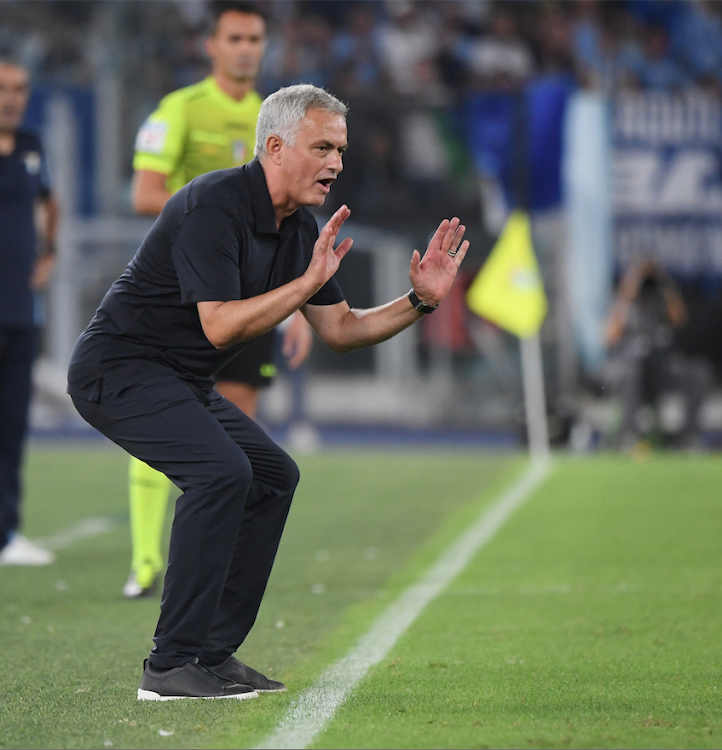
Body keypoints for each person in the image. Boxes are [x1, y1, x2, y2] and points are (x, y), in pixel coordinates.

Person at [67, 84, 469, 700]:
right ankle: (168, 666)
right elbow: (220, 324)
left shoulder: (297, 226)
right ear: (275, 147)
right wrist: (305, 282)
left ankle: (209, 652)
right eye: (322, 147)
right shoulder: (214, 202)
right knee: (222, 472)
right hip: (117, 369)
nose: (336, 162)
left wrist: (420, 301)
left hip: (178, 378)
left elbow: (340, 330)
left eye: (340, 149)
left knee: (273, 475)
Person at [124, 0, 313, 599]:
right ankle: (147, 559)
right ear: (210, 45)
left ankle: (221, 558)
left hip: (250, 299)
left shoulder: (278, 121)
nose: (246, 48)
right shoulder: (178, 110)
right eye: (234, 37)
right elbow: (145, 193)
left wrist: (300, 306)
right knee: (167, 418)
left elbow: (283, 222)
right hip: (185, 295)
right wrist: (214, 209)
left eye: (255, 38)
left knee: (238, 434)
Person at [0, 59, 58, 567]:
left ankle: (8, 531)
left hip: (19, 312)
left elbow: (49, 202)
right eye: (3, 89)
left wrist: (50, 252)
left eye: (19, 89)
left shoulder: (32, 147)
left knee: (12, 426)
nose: (11, 98)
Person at [605, 259, 713, 449]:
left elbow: (679, 319)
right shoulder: (626, 303)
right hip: (634, 370)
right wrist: (627, 294)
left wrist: (665, 285)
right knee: (630, 375)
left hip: (661, 369)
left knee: (699, 374)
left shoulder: (663, 299)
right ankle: (629, 437)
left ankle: (688, 437)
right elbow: (610, 336)